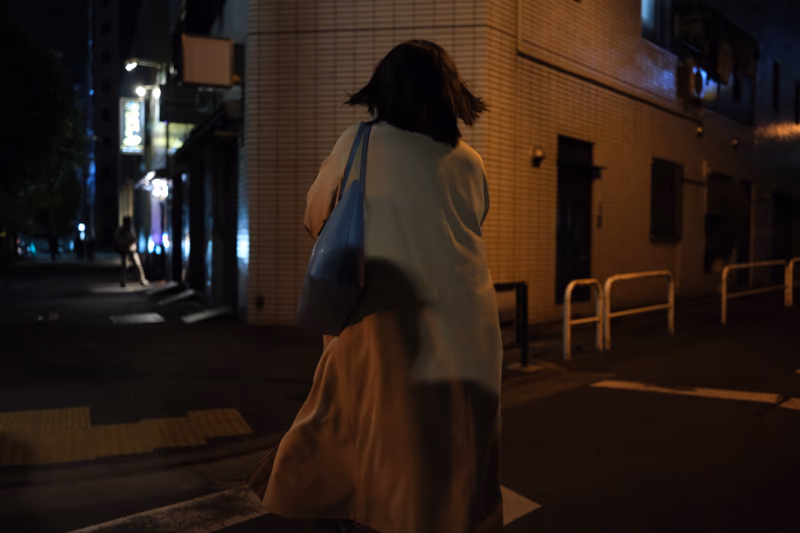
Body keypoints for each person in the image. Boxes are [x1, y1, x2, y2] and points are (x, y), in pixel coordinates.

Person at [248, 41, 503, 533]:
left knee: (364, 454)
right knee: (452, 466)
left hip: (383, 321)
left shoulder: (359, 142)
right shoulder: (470, 160)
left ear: (384, 92)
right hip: (471, 331)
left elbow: (314, 215)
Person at [115, 217, 148, 287]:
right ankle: (123, 281)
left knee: (138, 266)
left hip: (132, 250)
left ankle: (142, 279)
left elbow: (134, 239)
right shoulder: (121, 231)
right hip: (125, 251)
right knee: (124, 267)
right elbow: (119, 240)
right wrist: (127, 242)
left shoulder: (131, 230)